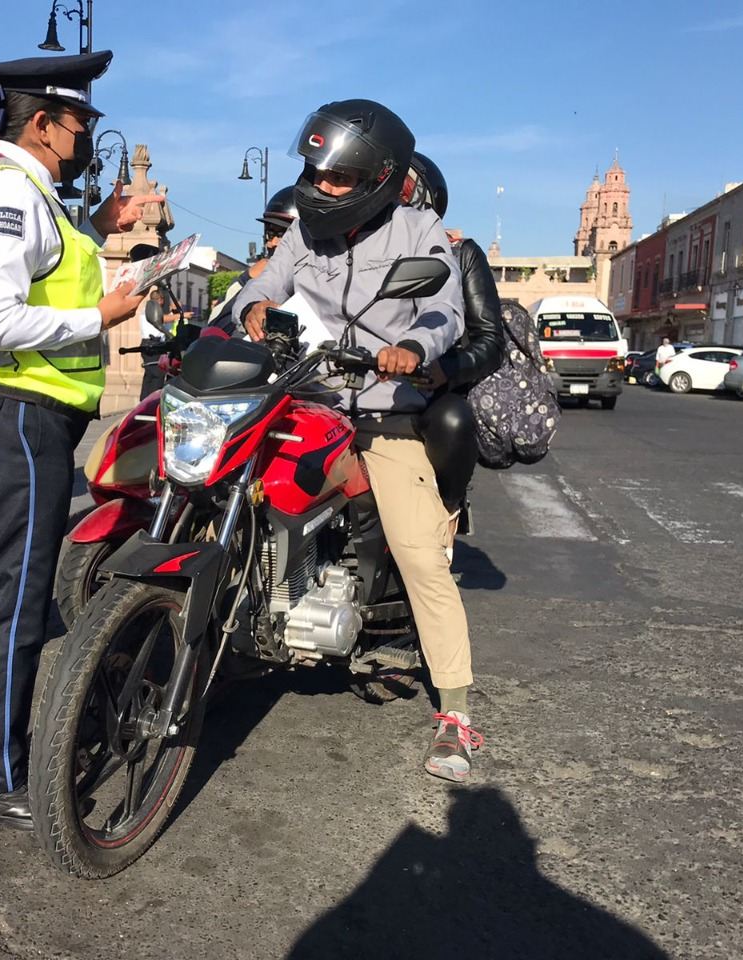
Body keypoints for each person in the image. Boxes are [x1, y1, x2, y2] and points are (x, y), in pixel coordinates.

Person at [0, 51, 163, 831]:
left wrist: (99, 226)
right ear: (43, 124)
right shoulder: (9, 193)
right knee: (13, 605)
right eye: (81, 124)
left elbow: (41, 271)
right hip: (14, 417)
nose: (88, 137)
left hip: (14, 416)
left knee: (7, 593)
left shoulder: (24, 190)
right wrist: (98, 318)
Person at [232, 99, 480, 783]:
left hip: (379, 408)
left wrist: (411, 346)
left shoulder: (417, 229)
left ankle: (455, 713)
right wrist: (249, 306)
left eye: (338, 178)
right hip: (300, 393)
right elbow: (259, 284)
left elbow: (444, 310)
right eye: (316, 172)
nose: (322, 187)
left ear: (379, 177)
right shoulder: (303, 232)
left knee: (420, 552)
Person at [400, 152, 505, 518]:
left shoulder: (460, 254)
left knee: (452, 421)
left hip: (429, 390)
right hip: (354, 384)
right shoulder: (346, 251)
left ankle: (445, 512)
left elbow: (490, 342)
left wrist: (447, 370)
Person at [209, 185, 298, 335]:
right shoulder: (257, 275)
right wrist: (246, 279)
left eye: (283, 235)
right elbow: (217, 328)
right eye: (270, 234)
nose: (273, 242)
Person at [137, 285, 173, 399]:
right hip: (151, 344)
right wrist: (181, 315)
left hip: (156, 344)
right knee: (157, 373)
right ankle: (152, 400)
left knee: (151, 374)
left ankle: (145, 399)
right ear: (160, 300)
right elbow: (163, 319)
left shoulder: (153, 310)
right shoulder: (149, 310)